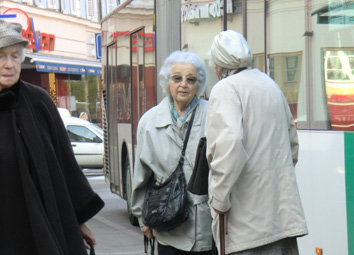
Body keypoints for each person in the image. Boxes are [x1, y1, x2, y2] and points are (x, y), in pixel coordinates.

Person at [0, 19, 104, 254]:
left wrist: (78, 220)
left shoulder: (39, 102)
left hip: (41, 228)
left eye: (15, 56)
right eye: (1, 56)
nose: (9, 65)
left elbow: (64, 165)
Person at [205, 30, 308, 255]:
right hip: (281, 217)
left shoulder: (225, 89)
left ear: (218, 65)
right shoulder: (270, 84)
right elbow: (292, 146)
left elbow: (229, 146)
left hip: (245, 226)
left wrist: (218, 200)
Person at [131, 50, 213, 255]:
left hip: (206, 225)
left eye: (190, 79)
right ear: (167, 82)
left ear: (198, 85)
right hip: (167, 224)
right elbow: (142, 174)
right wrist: (142, 218)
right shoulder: (149, 122)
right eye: (177, 78)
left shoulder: (213, 115)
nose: (183, 84)